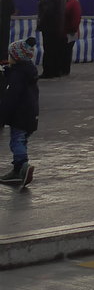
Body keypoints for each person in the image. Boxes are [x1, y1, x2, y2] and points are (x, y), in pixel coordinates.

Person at [0, 37, 39, 188]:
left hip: (20, 116)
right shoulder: (27, 71)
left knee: (16, 141)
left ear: (15, 58)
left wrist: (2, 117)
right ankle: (19, 168)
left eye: (10, 56)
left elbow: (11, 99)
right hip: (31, 115)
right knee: (21, 141)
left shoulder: (17, 76)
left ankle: (22, 166)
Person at [36, 0, 67, 79]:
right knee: (56, 50)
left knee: (48, 50)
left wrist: (40, 24)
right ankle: (56, 71)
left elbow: (46, 12)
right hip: (58, 27)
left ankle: (48, 72)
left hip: (49, 27)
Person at [62, 0, 82, 76]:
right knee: (64, 51)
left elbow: (76, 18)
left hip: (70, 32)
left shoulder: (74, 2)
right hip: (64, 31)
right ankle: (63, 69)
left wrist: (72, 29)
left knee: (67, 51)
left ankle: (65, 70)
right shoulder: (65, 1)